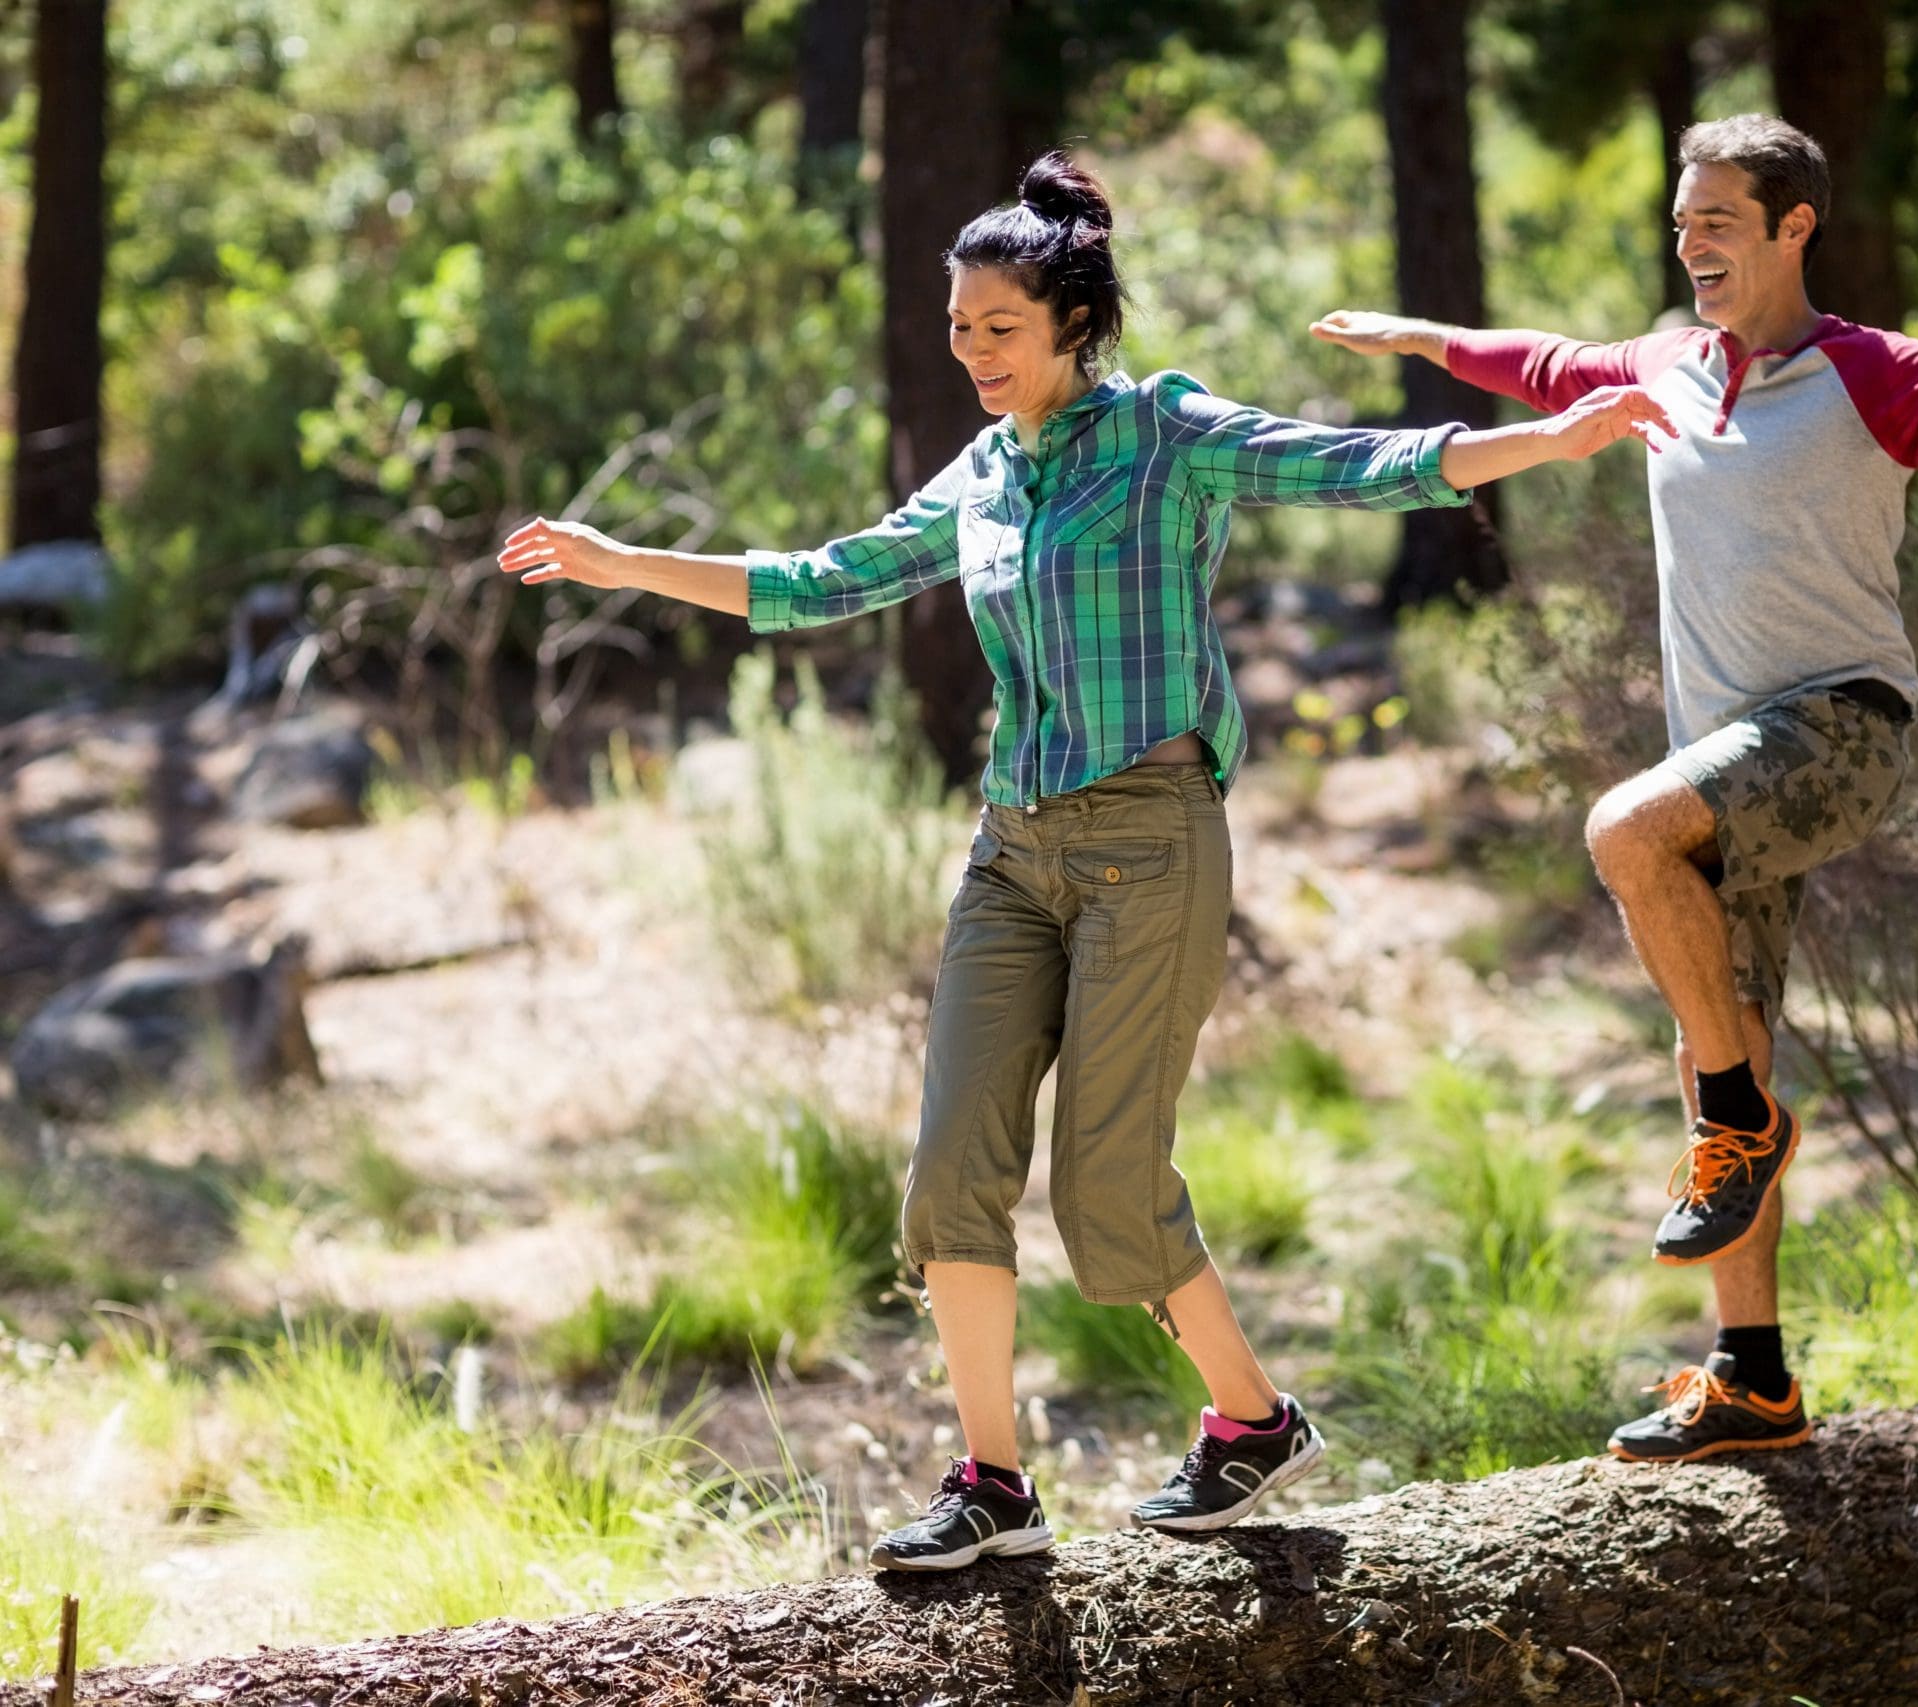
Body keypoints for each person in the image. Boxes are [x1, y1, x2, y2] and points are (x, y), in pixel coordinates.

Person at [499, 153, 1673, 1568]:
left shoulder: (1165, 433)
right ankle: (992, 1482)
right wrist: (626, 562)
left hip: (1151, 844)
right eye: (957, 327)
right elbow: (823, 578)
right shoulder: (984, 476)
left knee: (1108, 1195)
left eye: (998, 326)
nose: (971, 352)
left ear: (1073, 321)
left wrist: (1546, 444)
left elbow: (1355, 463)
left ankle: (1251, 1424)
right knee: (949, 1181)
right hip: (1014, 852)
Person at [1311, 113, 1918, 1465]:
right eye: (1679, 222)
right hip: (1723, 764)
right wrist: (1421, 340)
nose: (1690, 243)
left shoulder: (1867, 374)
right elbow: (1540, 362)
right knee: (1718, 1030)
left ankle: (1742, 1123)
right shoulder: (1664, 365)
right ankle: (1753, 1377)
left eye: (1717, 219)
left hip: (1837, 729)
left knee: (1624, 835)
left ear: (1793, 228)